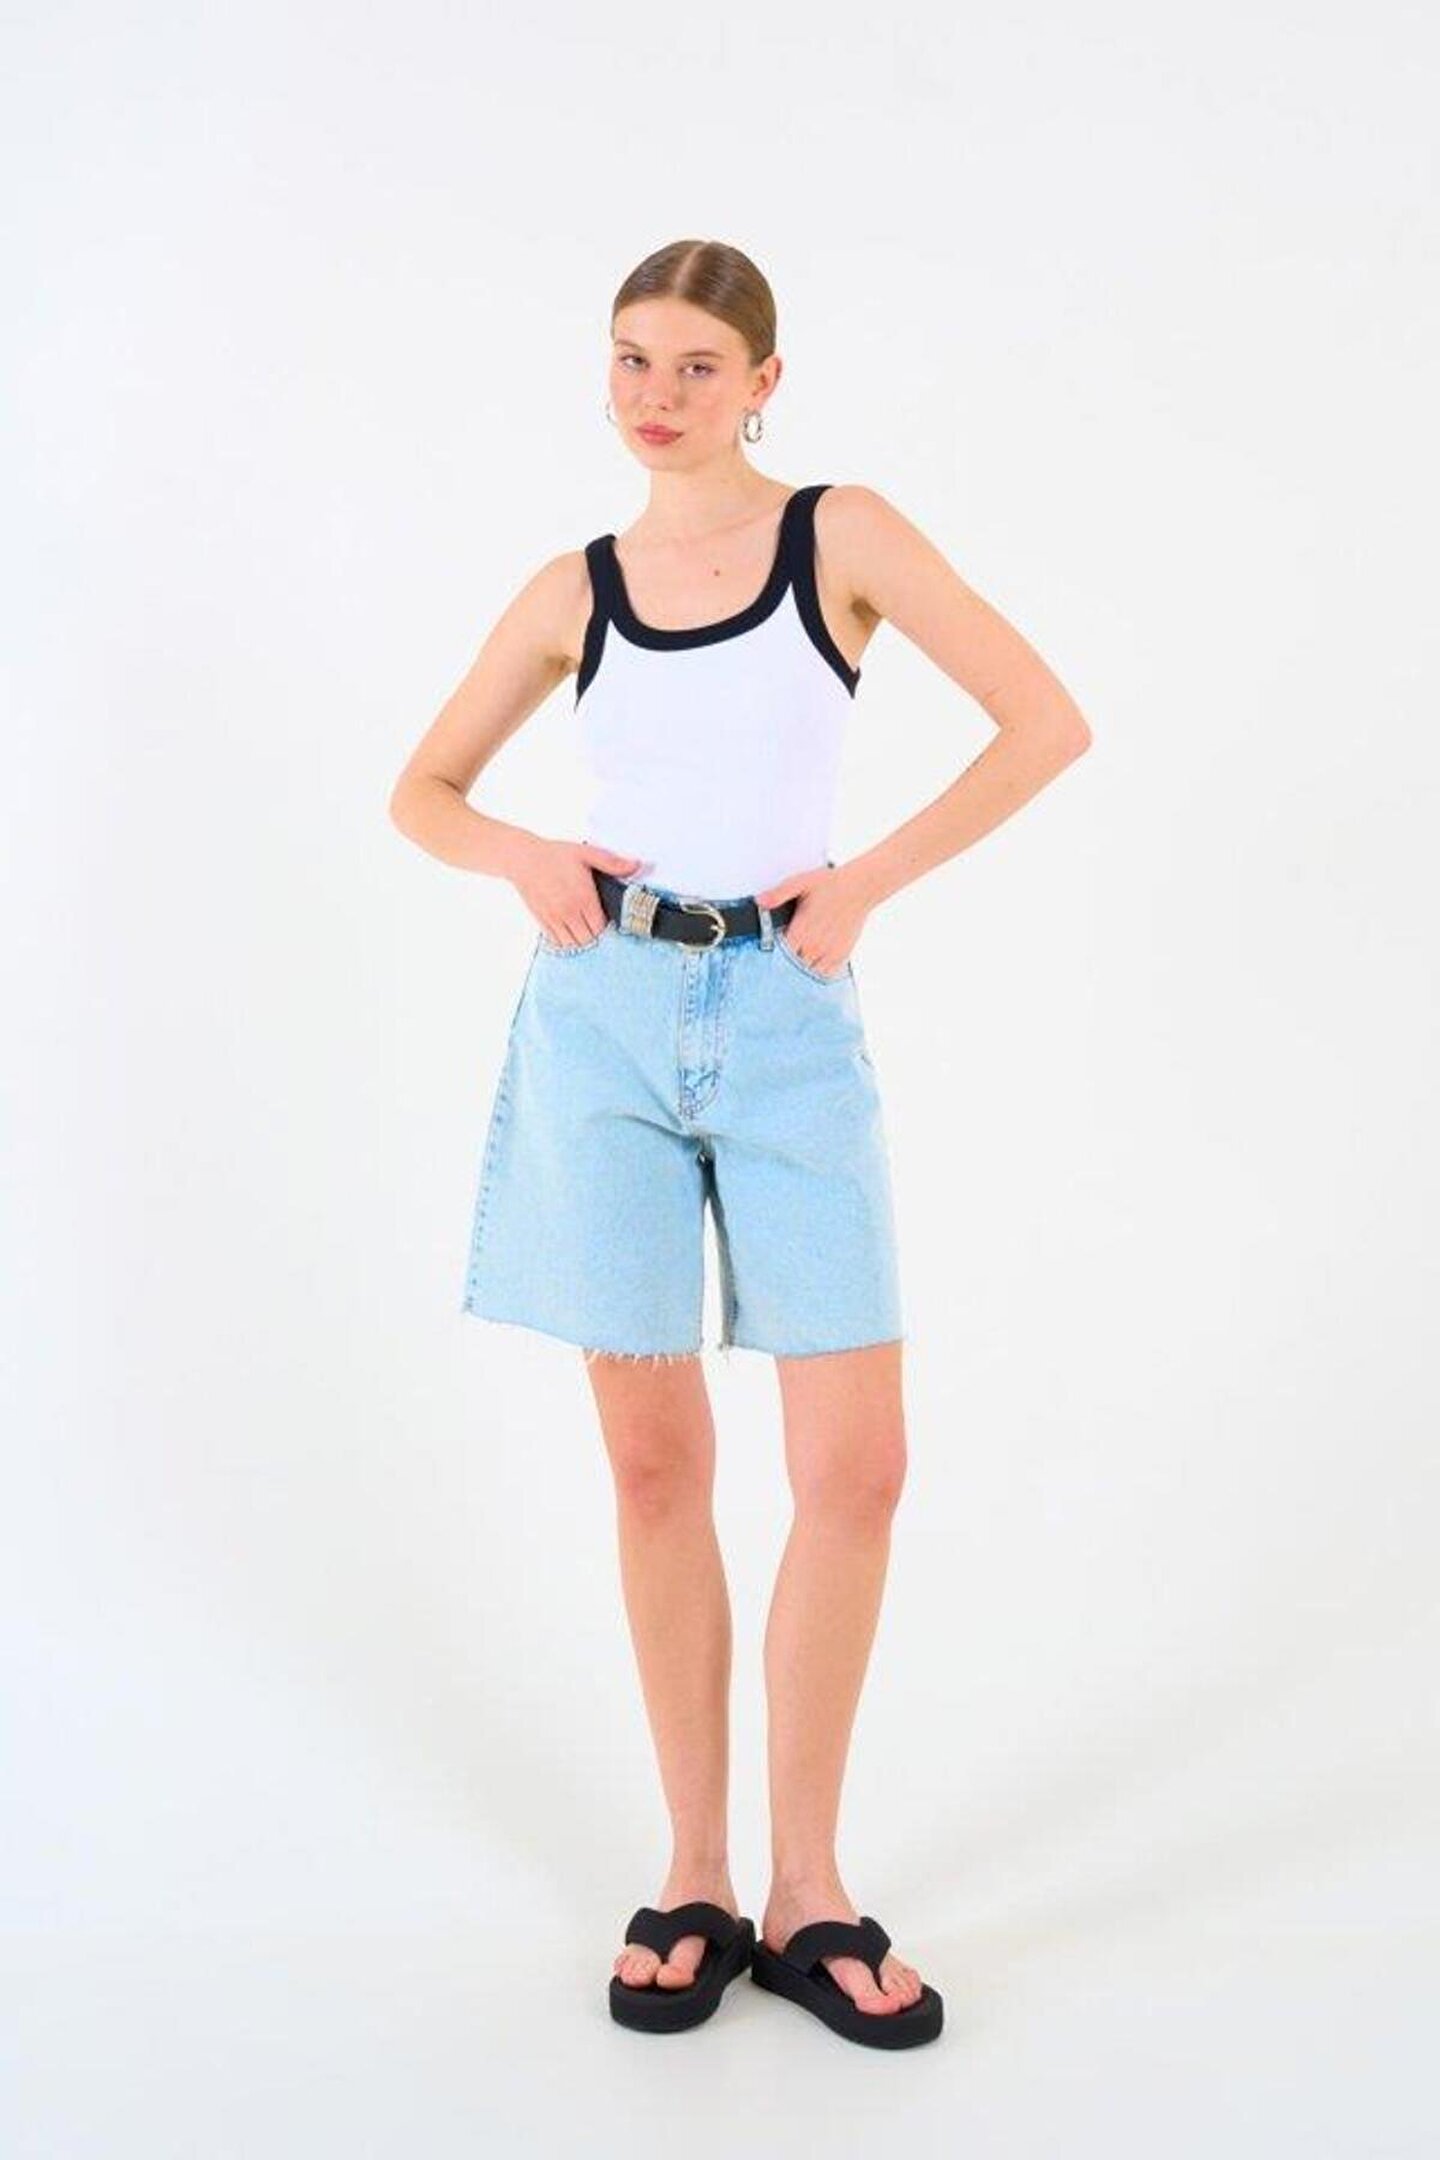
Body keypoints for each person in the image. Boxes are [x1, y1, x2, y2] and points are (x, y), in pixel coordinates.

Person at [389, 238, 1092, 2048]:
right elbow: (421, 791)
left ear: (764, 382)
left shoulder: (840, 537)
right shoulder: (576, 586)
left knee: (858, 1466)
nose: (658, 394)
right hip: (604, 1021)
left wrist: (865, 885)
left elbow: (1046, 722)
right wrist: (526, 857)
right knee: (654, 1468)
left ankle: (810, 1890)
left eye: (698, 365)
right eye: (632, 358)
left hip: (785, 1018)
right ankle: (697, 1876)